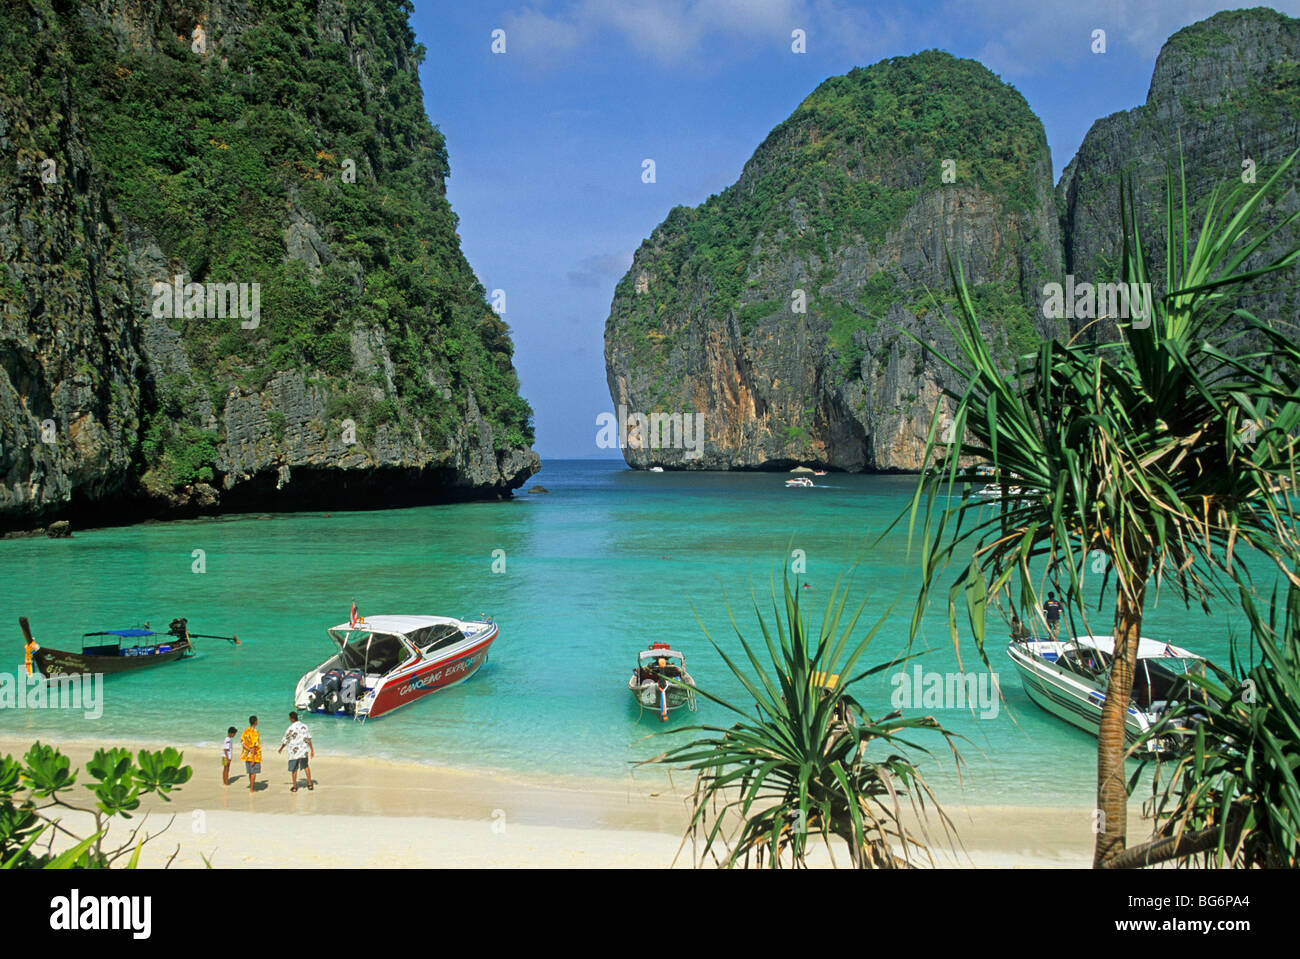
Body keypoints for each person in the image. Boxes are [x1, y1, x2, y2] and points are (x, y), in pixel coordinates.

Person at [278, 711, 314, 792]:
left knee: (294, 769)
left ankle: (294, 787)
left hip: (294, 752)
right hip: (304, 750)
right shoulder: (304, 726)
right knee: (306, 766)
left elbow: (286, 740)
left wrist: (281, 748)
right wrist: (312, 749)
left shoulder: (290, 728)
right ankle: (310, 784)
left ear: (291, 718)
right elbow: (308, 739)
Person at [240, 716, 262, 793]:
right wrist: (253, 758)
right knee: (253, 773)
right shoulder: (255, 732)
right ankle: (251, 789)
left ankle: (251, 787)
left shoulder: (245, 731)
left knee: (250, 772)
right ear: (255, 722)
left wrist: (248, 750)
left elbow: (242, 742)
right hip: (254, 756)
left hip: (247, 755)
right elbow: (254, 746)